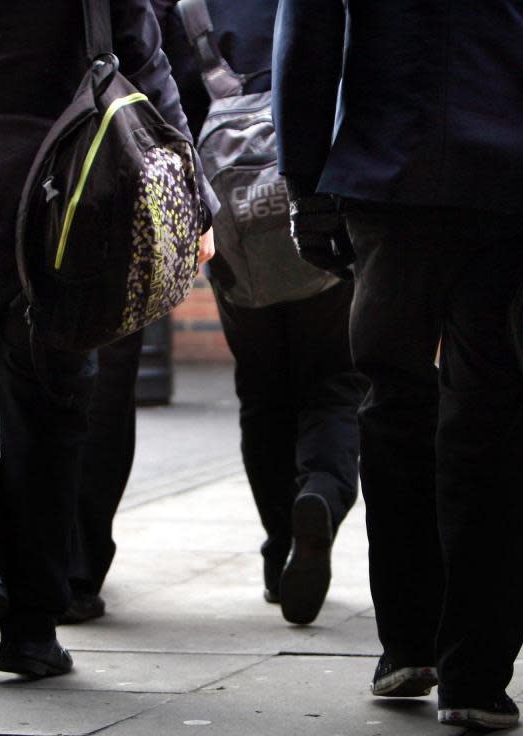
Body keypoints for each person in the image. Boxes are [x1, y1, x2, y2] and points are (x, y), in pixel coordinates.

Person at [273, 0, 523, 728]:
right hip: (515, 174)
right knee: (494, 415)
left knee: (393, 403)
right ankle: (477, 673)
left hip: (388, 170)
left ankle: (408, 641)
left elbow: (307, 30)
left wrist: (307, 183)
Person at [0, 0, 215, 677]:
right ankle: (32, 629)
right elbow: (143, 57)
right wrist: (191, 187)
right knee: (51, 401)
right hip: (70, 189)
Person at [151, 0, 364, 625]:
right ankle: (320, 495)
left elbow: (172, 117)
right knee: (336, 384)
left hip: (238, 236)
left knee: (263, 393)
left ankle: (279, 553)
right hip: (320, 217)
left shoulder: (190, 9)